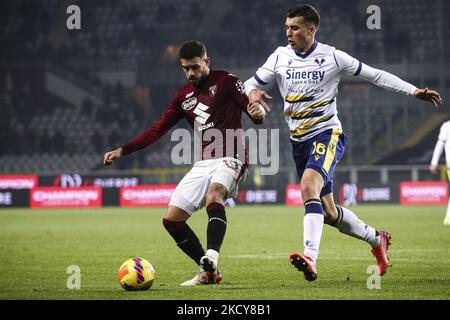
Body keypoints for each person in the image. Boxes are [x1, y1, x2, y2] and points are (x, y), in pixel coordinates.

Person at [244, 4, 443, 281]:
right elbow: (248, 84)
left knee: (306, 187)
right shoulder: (279, 57)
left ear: (311, 29)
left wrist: (413, 91)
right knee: (327, 212)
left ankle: (310, 258)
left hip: (327, 134)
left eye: (295, 28)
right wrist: (252, 95)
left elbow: (374, 74)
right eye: (287, 27)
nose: (288, 32)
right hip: (298, 140)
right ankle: (377, 239)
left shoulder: (333, 57)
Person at [103, 41, 265, 286]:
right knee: (172, 220)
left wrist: (258, 114)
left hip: (233, 155)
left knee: (214, 195)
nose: (191, 73)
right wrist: (122, 150)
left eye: (195, 67)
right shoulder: (183, 97)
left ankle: (211, 255)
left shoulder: (228, 81)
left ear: (207, 62)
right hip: (203, 162)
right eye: (186, 68)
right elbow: (158, 129)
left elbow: (253, 111)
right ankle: (208, 271)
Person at [430, 120, 450, 226]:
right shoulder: (446, 126)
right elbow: (439, 145)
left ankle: (448, 217)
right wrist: (434, 162)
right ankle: (448, 217)